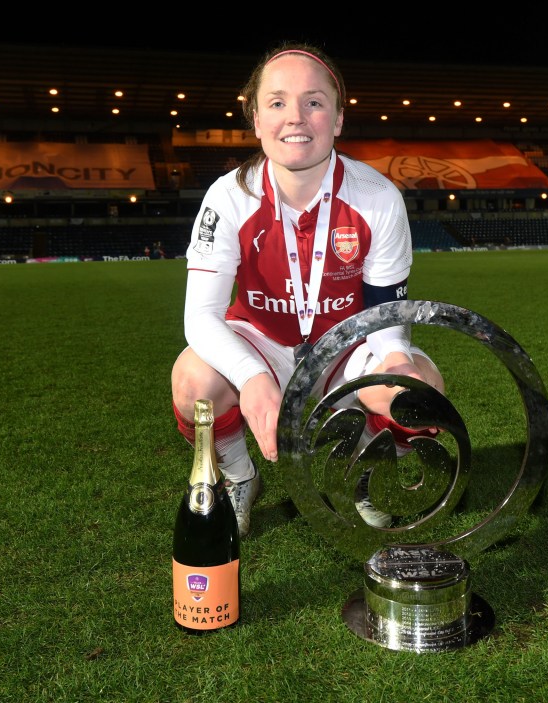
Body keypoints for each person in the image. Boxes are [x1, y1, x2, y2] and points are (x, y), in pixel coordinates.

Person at [171, 41, 444, 537]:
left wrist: (398, 359)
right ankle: (240, 476)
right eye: (277, 102)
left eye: (314, 102)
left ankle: (367, 477)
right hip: (264, 344)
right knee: (193, 381)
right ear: (255, 119)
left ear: (338, 119)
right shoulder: (227, 197)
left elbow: (386, 319)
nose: (295, 117)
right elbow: (201, 318)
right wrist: (253, 376)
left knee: (418, 388)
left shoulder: (377, 197)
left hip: (346, 350)